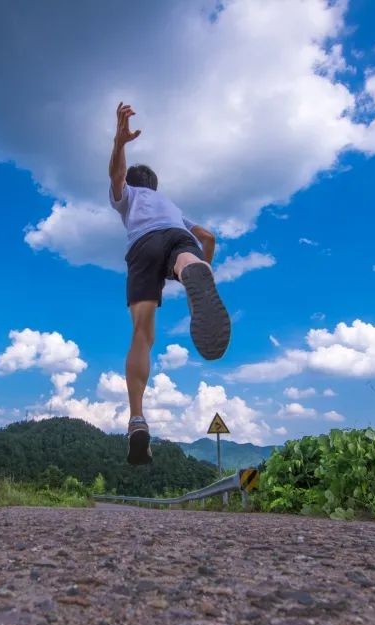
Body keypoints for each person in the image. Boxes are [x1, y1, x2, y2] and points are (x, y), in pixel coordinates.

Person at [108, 102, 231, 466]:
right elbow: (207, 236)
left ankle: (136, 420)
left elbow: (116, 177)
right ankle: (193, 272)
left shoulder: (129, 197)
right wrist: (198, 266)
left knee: (142, 333)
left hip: (142, 246)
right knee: (188, 258)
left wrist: (119, 142)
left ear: (134, 183)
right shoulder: (171, 205)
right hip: (180, 236)